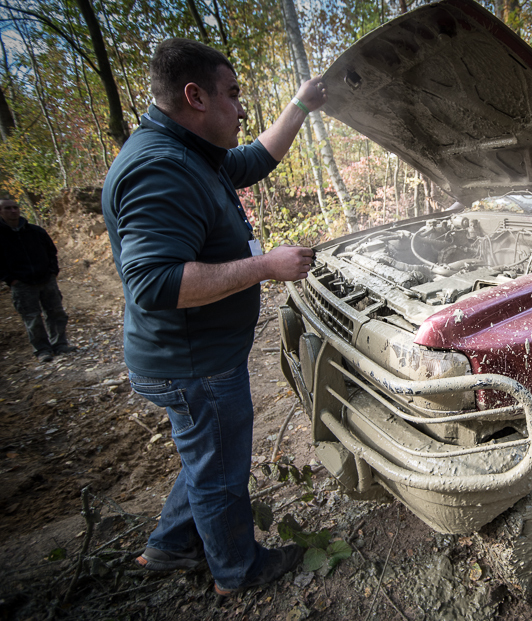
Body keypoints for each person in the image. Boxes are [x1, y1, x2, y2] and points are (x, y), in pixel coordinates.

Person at [101, 38, 326, 596]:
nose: (242, 107)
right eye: (233, 94)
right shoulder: (161, 167)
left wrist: (300, 104)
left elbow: (256, 157)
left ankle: (171, 545)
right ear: (194, 96)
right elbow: (154, 283)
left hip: (193, 354)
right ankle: (237, 571)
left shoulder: (192, 150)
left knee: (207, 452)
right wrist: (265, 266)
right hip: (194, 362)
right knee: (221, 464)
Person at [0, 198, 77, 362]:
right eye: (8, 208)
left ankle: (60, 345)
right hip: (22, 284)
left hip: (46, 279)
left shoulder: (35, 231)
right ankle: (42, 350)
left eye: (15, 207)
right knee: (32, 318)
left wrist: (52, 272)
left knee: (56, 313)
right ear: (1, 212)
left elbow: (51, 251)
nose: (13, 211)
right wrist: (10, 280)